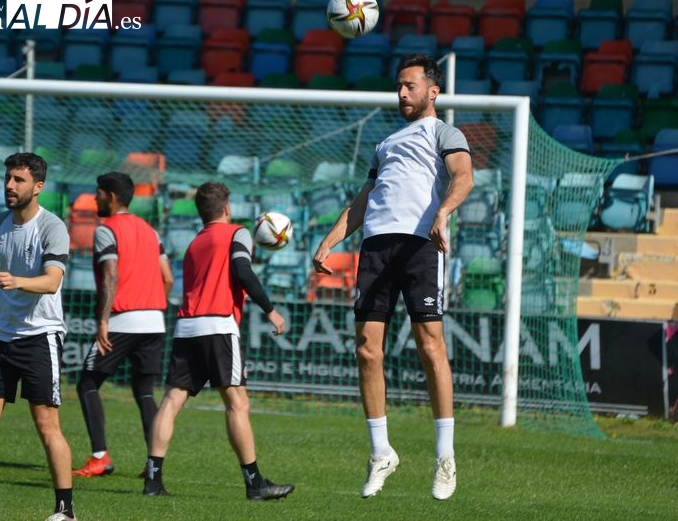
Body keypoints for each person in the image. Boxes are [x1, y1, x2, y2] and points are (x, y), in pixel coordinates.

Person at [312, 53, 474, 501]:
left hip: (420, 245)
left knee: (430, 346)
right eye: (399, 86)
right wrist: (330, 240)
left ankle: (445, 456)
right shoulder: (383, 144)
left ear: (432, 91)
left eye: (410, 85)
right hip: (375, 248)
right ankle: (381, 451)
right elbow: (364, 199)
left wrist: (443, 212)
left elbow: (464, 176)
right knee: (367, 351)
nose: (402, 93)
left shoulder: (444, 132)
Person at [142, 181, 295, 501]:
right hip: (219, 326)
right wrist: (270, 310)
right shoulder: (237, 232)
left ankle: (153, 482)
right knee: (237, 403)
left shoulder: (195, 243)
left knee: (171, 401)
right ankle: (254, 483)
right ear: (226, 209)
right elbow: (242, 270)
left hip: (186, 327)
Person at [0, 152, 77, 521]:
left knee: (46, 424)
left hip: (41, 337)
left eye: (19, 180)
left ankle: (65, 511)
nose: (9, 185)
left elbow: (53, 281)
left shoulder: (52, 227)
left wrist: (18, 280)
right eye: (8, 178)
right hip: (0, 336)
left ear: (38, 187)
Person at [73, 172, 174, 478]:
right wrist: (151, 303)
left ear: (112, 197)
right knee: (144, 391)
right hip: (154, 321)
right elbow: (168, 278)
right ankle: (153, 464)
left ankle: (100, 457)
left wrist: (103, 320)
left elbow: (111, 276)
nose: (95, 198)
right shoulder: (151, 231)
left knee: (87, 383)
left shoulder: (107, 230)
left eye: (99, 193)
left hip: (122, 319)